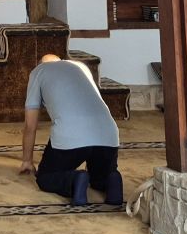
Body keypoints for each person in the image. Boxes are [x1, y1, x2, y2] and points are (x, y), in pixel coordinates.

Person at [18, 53, 123, 207]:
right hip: (108, 133)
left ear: (41, 64)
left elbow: (30, 125)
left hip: (71, 136)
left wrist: (27, 161)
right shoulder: (81, 67)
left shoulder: (39, 71)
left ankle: (75, 180)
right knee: (99, 177)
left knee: (46, 177)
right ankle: (111, 179)